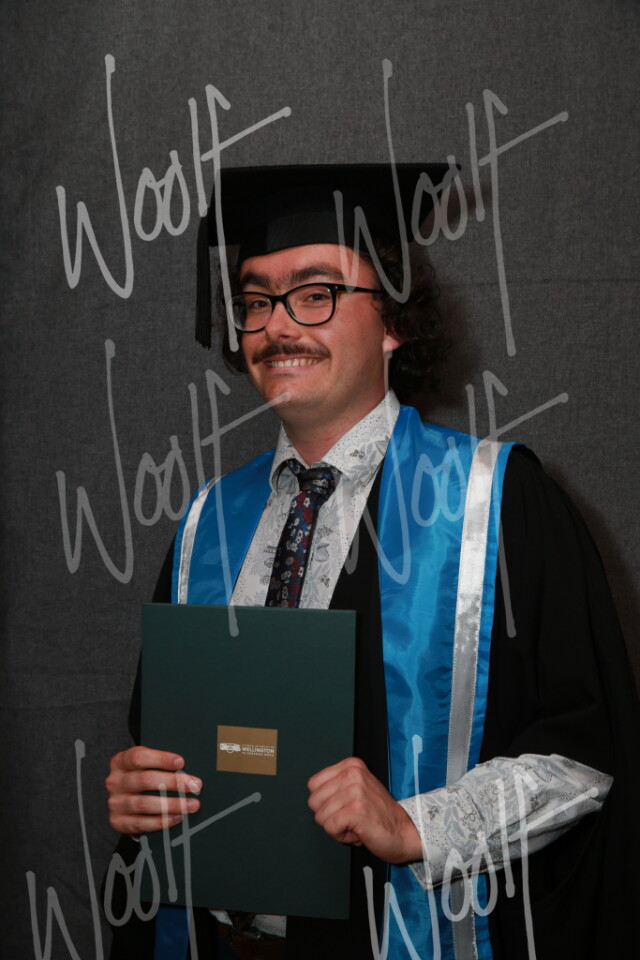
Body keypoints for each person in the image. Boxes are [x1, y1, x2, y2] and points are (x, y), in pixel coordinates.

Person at [105, 164, 639, 960]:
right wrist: (140, 791)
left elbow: (586, 761)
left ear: (393, 320)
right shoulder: (205, 525)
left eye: (316, 293)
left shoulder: (496, 503)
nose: (279, 325)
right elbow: (177, 743)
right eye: (256, 300)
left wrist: (415, 825)